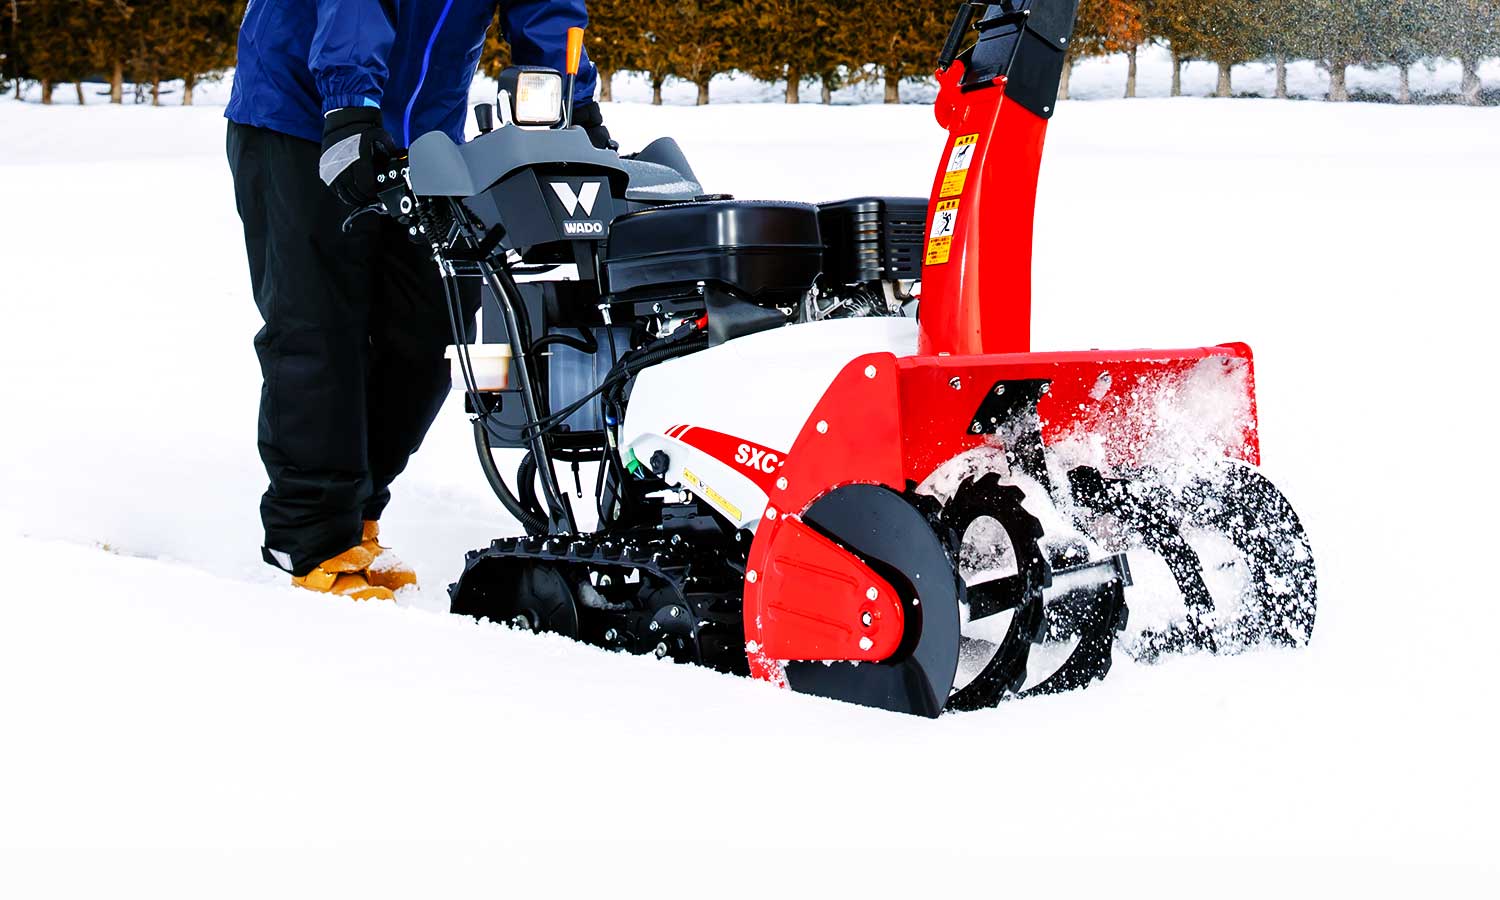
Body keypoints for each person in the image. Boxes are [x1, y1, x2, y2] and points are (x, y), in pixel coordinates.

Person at [226, 0, 610, 601]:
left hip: (423, 133)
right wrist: (349, 102)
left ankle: (355, 514)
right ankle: (308, 536)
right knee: (318, 328)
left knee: (427, 334)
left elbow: (547, 6)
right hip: (306, 116)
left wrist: (574, 101)